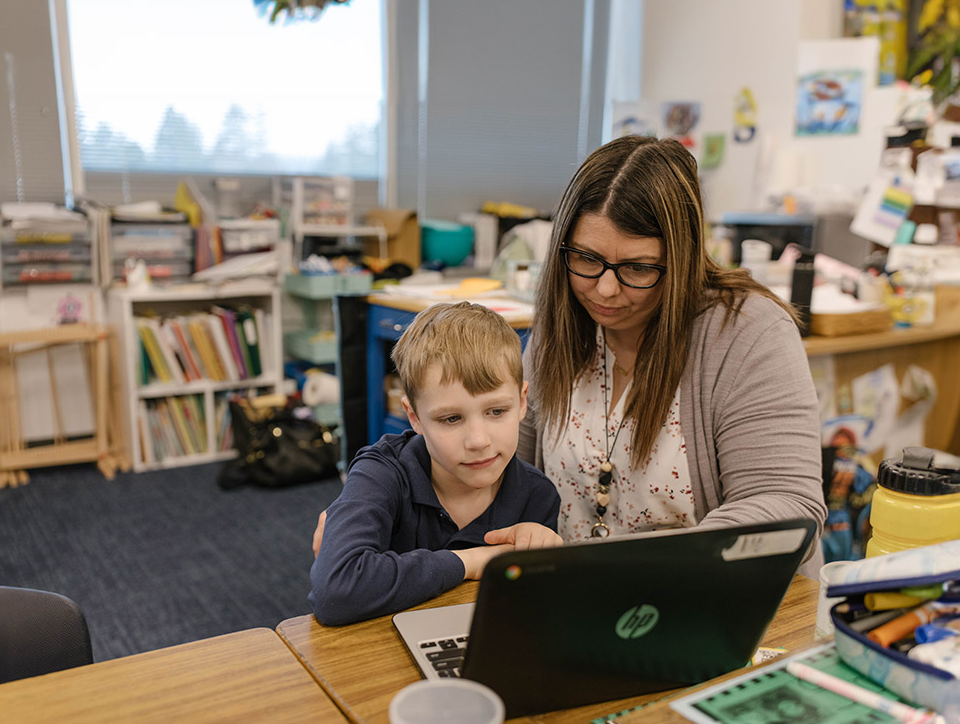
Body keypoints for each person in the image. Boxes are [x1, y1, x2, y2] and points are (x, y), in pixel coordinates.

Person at [519, 135, 826, 541]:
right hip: (574, 594)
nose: (606, 290)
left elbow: (788, 506)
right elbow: (510, 478)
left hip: (703, 591)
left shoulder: (748, 333)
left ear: (681, 259)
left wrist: (671, 563)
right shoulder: (561, 323)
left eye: (638, 268)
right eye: (587, 259)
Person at [309, 302, 562, 626]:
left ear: (523, 401)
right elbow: (335, 594)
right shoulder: (380, 473)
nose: (478, 440)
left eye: (496, 411)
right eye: (451, 418)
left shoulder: (537, 496)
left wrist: (545, 560)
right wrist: (472, 562)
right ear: (414, 416)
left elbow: (532, 617)